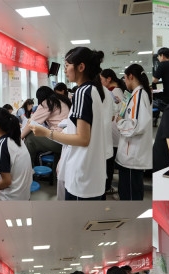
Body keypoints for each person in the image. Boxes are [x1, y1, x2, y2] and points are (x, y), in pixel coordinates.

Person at [44, 47, 108, 200]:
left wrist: (47, 133)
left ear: (81, 67)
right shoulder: (93, 90)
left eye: (67, 65)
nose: (65, 70)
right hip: (90, 173)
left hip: (82, 174)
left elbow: (82, 139)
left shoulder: (82, 92)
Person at [116, 64, 153, 200]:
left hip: (132, 156)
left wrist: (120, 122)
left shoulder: (139, 95)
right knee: (130, 193)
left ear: (131, 76)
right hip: (131, 155)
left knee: (130, 195)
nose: (125, 81)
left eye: (125, 78)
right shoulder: (138, 94)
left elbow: (135, 126)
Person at [0, 107, 32, 200]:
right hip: (24, 196)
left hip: (10, 199)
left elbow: (6, 181)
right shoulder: (17, 139)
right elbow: (14, 171)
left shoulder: (2, 145)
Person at [22, 85, 71, 165]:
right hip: (68, 138)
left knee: (30, 138)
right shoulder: (62, 100)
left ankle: (27, 168)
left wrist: (19, 138)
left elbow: (31, 123)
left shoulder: (48, 102)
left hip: (59, 139)